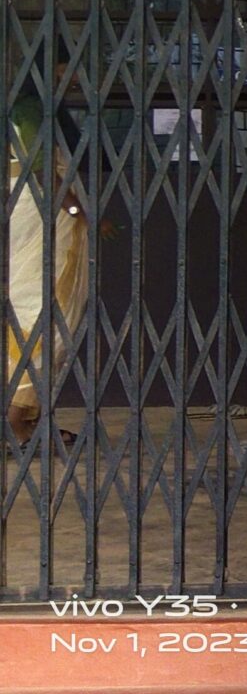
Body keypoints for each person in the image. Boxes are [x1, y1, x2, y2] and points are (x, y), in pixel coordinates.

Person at [5, 92, 90, 448]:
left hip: (29, 210)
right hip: (39, 213)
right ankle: (14, 420)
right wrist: (76, 211)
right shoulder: (29, 106)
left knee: (35, 308)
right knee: (42, 312)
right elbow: (41, 171)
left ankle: (30, 418)